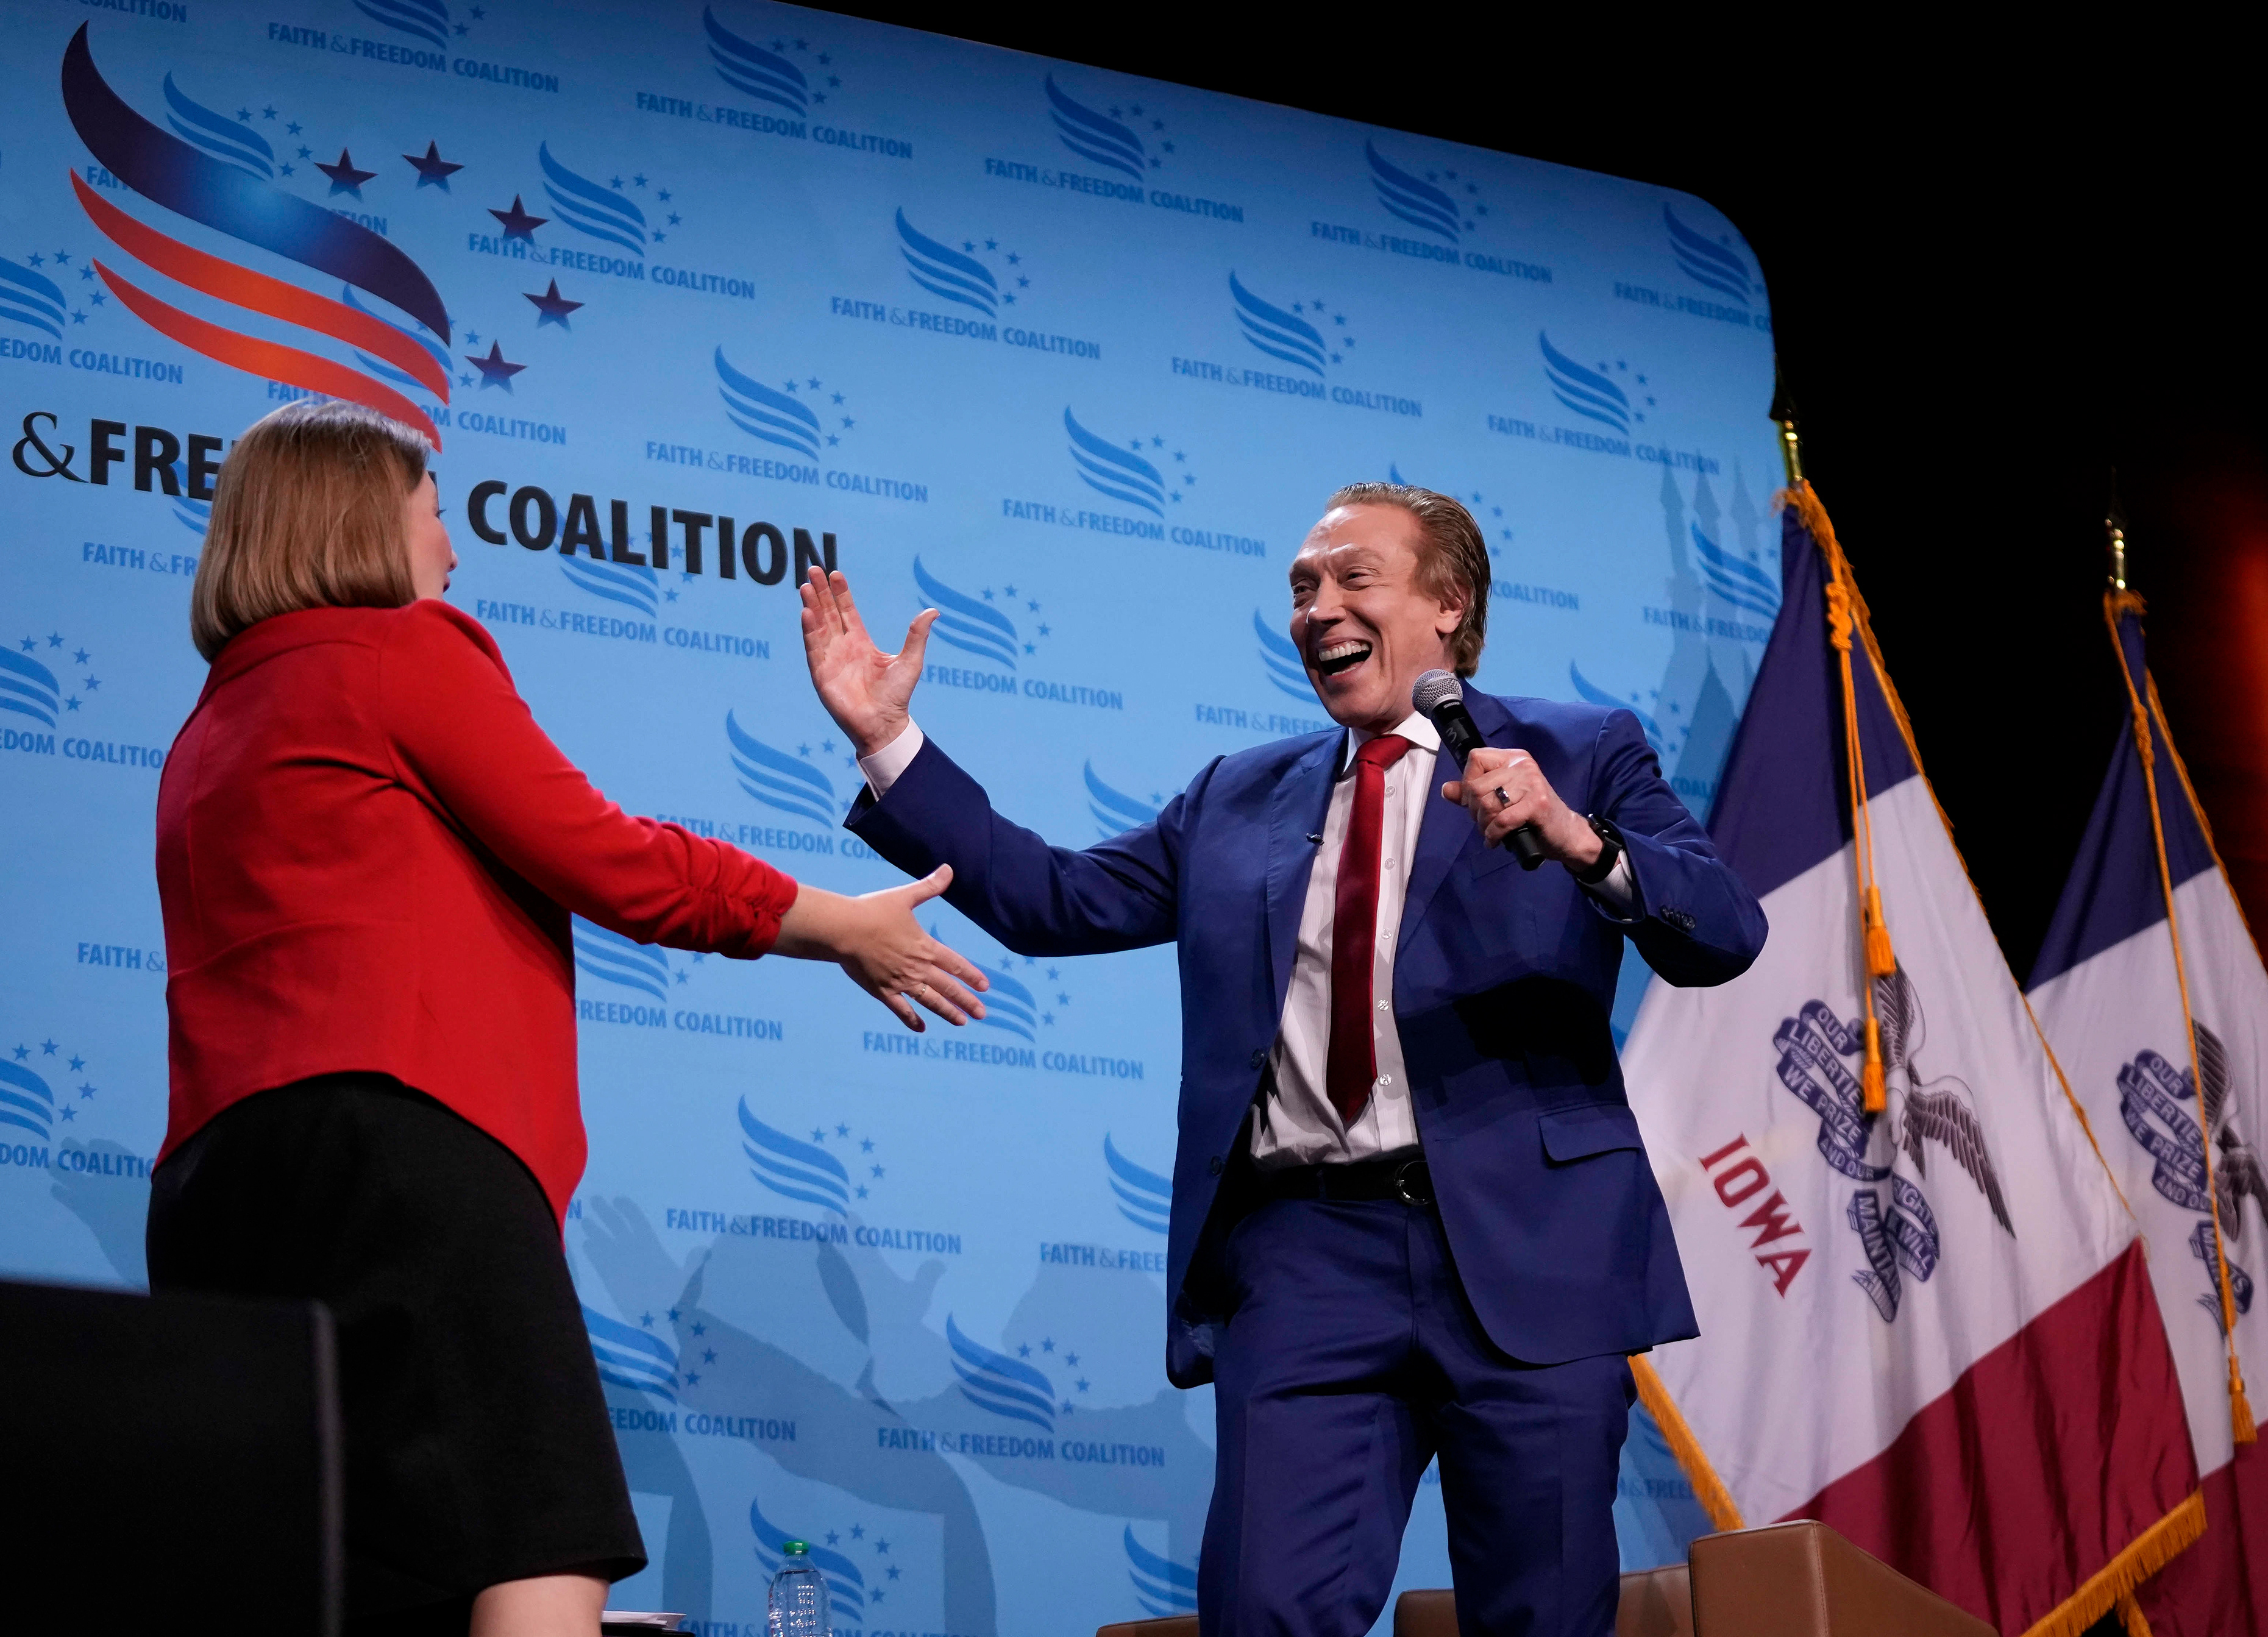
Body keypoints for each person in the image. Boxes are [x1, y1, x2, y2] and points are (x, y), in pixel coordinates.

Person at [802, 483, 1766, 1636]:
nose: (1318, 608)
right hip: (1309, 1259)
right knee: (1263, 1611)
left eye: (1354, 578)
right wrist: (888, 743)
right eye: (1302, 588)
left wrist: (1578, 839)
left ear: (1449, 604)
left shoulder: (1576, 750)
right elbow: (1050, 898)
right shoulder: (1235, 798)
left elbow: (1723, 931)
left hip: (1534, 1249)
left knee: (1545, 1615)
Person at [146, 400, 988, 1637]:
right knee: (541, 1532)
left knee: (338, 1576)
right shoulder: (400, 653)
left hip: (217, 1197)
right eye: (436, 515)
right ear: (364, 518)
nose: (453, 550)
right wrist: (832, 921)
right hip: (401, 1145)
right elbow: (604, 857)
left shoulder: (204, 731)